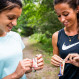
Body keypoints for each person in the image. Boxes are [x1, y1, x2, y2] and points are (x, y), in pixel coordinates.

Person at [0, 0, 44, 79]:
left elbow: (14, 67)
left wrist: (30, 66)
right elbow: (16, 73)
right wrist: (15, 75)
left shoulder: (16, 36)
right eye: (10, 17)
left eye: (17, 18)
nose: (15, 23)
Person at [51, 0, 79, 79]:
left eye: (66, 14)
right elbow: (58, 63)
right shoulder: (56, 36)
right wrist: (55, 61)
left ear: (77, 8)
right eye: (59, 16)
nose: (62, 20)